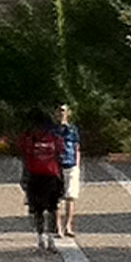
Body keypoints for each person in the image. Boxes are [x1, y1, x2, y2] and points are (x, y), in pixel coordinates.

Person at [17, 112, 63, 252]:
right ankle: (44, 239)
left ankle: (46, 238)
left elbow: (60, 154)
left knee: (46, 210)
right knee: (44, 209)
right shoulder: (32, 139)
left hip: (44, 176)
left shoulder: (48, 139)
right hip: (41, 176)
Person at [53, 102, 81, 237]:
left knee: (70, 197)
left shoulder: (72, 129)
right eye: (59, 111)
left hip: (71, 165)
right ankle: (58, 228)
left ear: (68, 113)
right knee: (57, 199)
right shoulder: (52, 130)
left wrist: (77, 164)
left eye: (63, 111)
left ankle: (68, 226)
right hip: (56, 166)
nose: (61, 113)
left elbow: (77, 147)